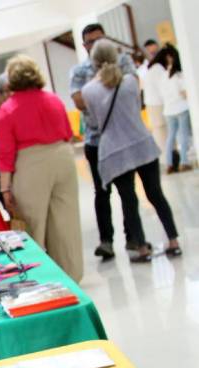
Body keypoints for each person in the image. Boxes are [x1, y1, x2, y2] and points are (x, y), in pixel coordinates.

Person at [83, 40, 181, 260]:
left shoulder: (88, 91)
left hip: (114, 151)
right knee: (156, 195)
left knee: (129, 200)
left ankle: (142, 248)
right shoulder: (130, 81)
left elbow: (94, 122)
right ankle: (173, 240)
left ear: (94, 62)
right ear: (117, 57)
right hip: (141, 143)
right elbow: (136, 108)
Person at [0, 55, 83, 282]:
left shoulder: (8, 109)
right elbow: (68, 132)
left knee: (32, 225)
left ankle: (37, 278)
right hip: (63, 157)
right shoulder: (54, 100)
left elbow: (6, 152)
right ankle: (71, 277)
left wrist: (5, 188)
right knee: (66, 223)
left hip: (31, 162)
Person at [70, 22, 137, 260]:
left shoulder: (123, 61)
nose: (96, 44)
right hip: (96, 141)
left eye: (100, 39)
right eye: (91, 41)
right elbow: (78, 101)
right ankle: (106, 241)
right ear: (84, 45)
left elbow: (133, 90)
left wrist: (98, 96)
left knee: (128, 192)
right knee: (102, 192)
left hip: (123, 139)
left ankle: (134, 238)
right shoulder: (79, 70)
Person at [153, 44, 193, 173]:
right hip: (181, 108)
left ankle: (169, 163)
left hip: (168, 109)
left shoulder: (163, 75)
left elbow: (161, 94)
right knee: (183, 135)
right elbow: (184, 92)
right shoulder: (178, 75)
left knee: (171, 136)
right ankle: (184, 162)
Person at [142, 39, 170, 158]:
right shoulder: (156, 67)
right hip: (156, 103)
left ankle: (167, 156)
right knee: (160, 129)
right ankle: (166, 156)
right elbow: (163, 87)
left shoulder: (155, 67)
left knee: (162, 129)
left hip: (154, 102)